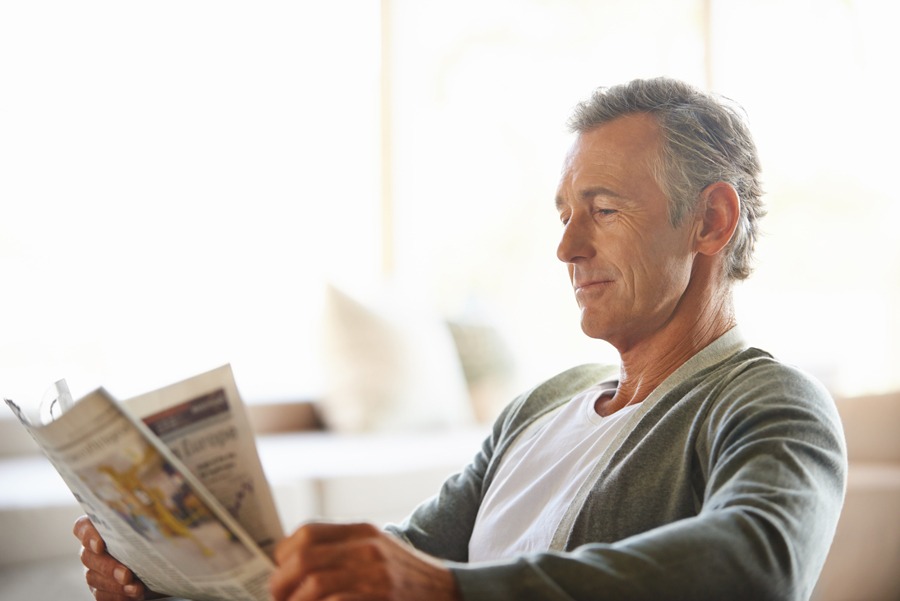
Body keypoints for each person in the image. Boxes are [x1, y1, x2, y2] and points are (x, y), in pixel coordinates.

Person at [75, 76, 847, 601]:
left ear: (710, 222)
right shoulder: (542, 406)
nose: (566, 248)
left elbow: (758, 561)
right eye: (563, 213)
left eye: (603, 209)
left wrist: (447, 590)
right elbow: (400, 557)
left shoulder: (773, 403)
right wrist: (172, 579)